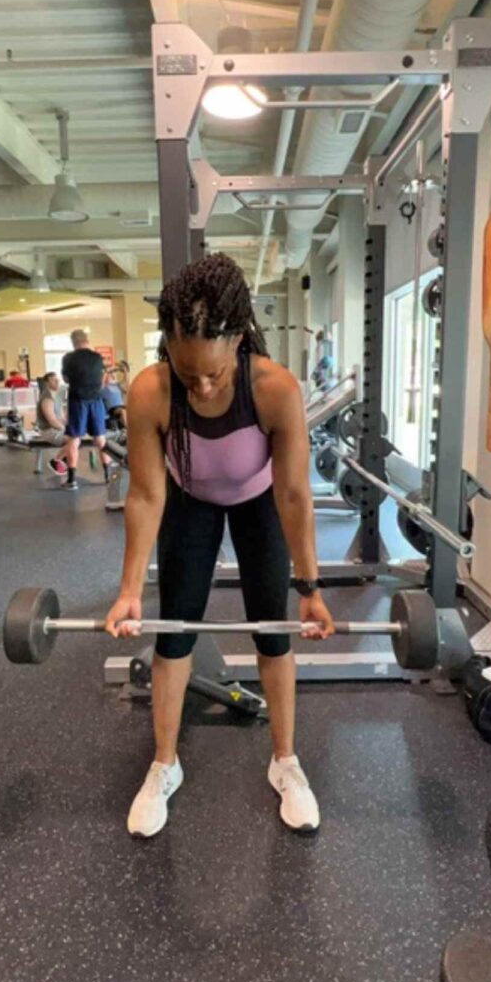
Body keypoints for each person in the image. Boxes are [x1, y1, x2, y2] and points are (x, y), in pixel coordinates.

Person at [105, 253, 335, 839]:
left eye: (214, 373)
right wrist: (129, 591)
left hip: (259, 502)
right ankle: (164, 765)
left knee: (273, 631)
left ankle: (286, 762)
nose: (202, 386)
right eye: (189, 375)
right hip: (191, 501)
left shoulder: (274, 389)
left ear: (237, 338)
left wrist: (310, 589)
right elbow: (145, 495)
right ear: (167, 346)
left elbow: (294, 494)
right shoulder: (152, 391)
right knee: (174, 632)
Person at [61, 329, 113, 490]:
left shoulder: (68, 358)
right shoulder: (97, 357)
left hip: (78, 400)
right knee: (100, 438)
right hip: (96, 400)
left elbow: (65, 379)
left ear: (73, 342)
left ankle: (72, 480)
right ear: (86, 340)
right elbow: (105, 379)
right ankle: (108, 476)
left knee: (74, 439)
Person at [35, 372, 68, 477]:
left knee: (77, 435)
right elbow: (52, 421)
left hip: (56, 429)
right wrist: (65, 429)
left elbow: (61, 418)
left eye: (58, 380)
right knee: (73, 440)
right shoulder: (47, 398)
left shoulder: (56, 396)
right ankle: (56, 461)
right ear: (47, 383)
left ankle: (63, 460)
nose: (57, 382)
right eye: (54, 380)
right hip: (49, 431)